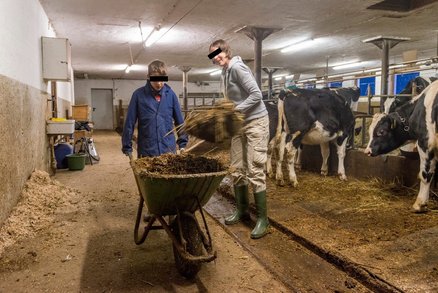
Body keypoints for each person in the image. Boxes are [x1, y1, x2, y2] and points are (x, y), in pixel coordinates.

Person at [208, 39, 270, 239]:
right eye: (212, 55)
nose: (215, 57)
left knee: (254, 168)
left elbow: (256, 95)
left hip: (255, 122)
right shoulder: (224, 71)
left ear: (225, 50)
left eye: (217, 52)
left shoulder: (237, 68)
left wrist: (234, 110)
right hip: (239, 124)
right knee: (236, 167)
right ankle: (242, 210)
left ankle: (263, 219)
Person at [122, 59, 188, 158]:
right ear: (148, 77)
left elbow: (180, 122)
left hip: (168, 150)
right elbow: (129, 123)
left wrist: (182, 143)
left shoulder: (171, 95)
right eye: (155, 79)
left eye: (162, 79)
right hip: (147, 150)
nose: (159, 83)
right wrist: (127, 146)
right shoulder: (138, 95)